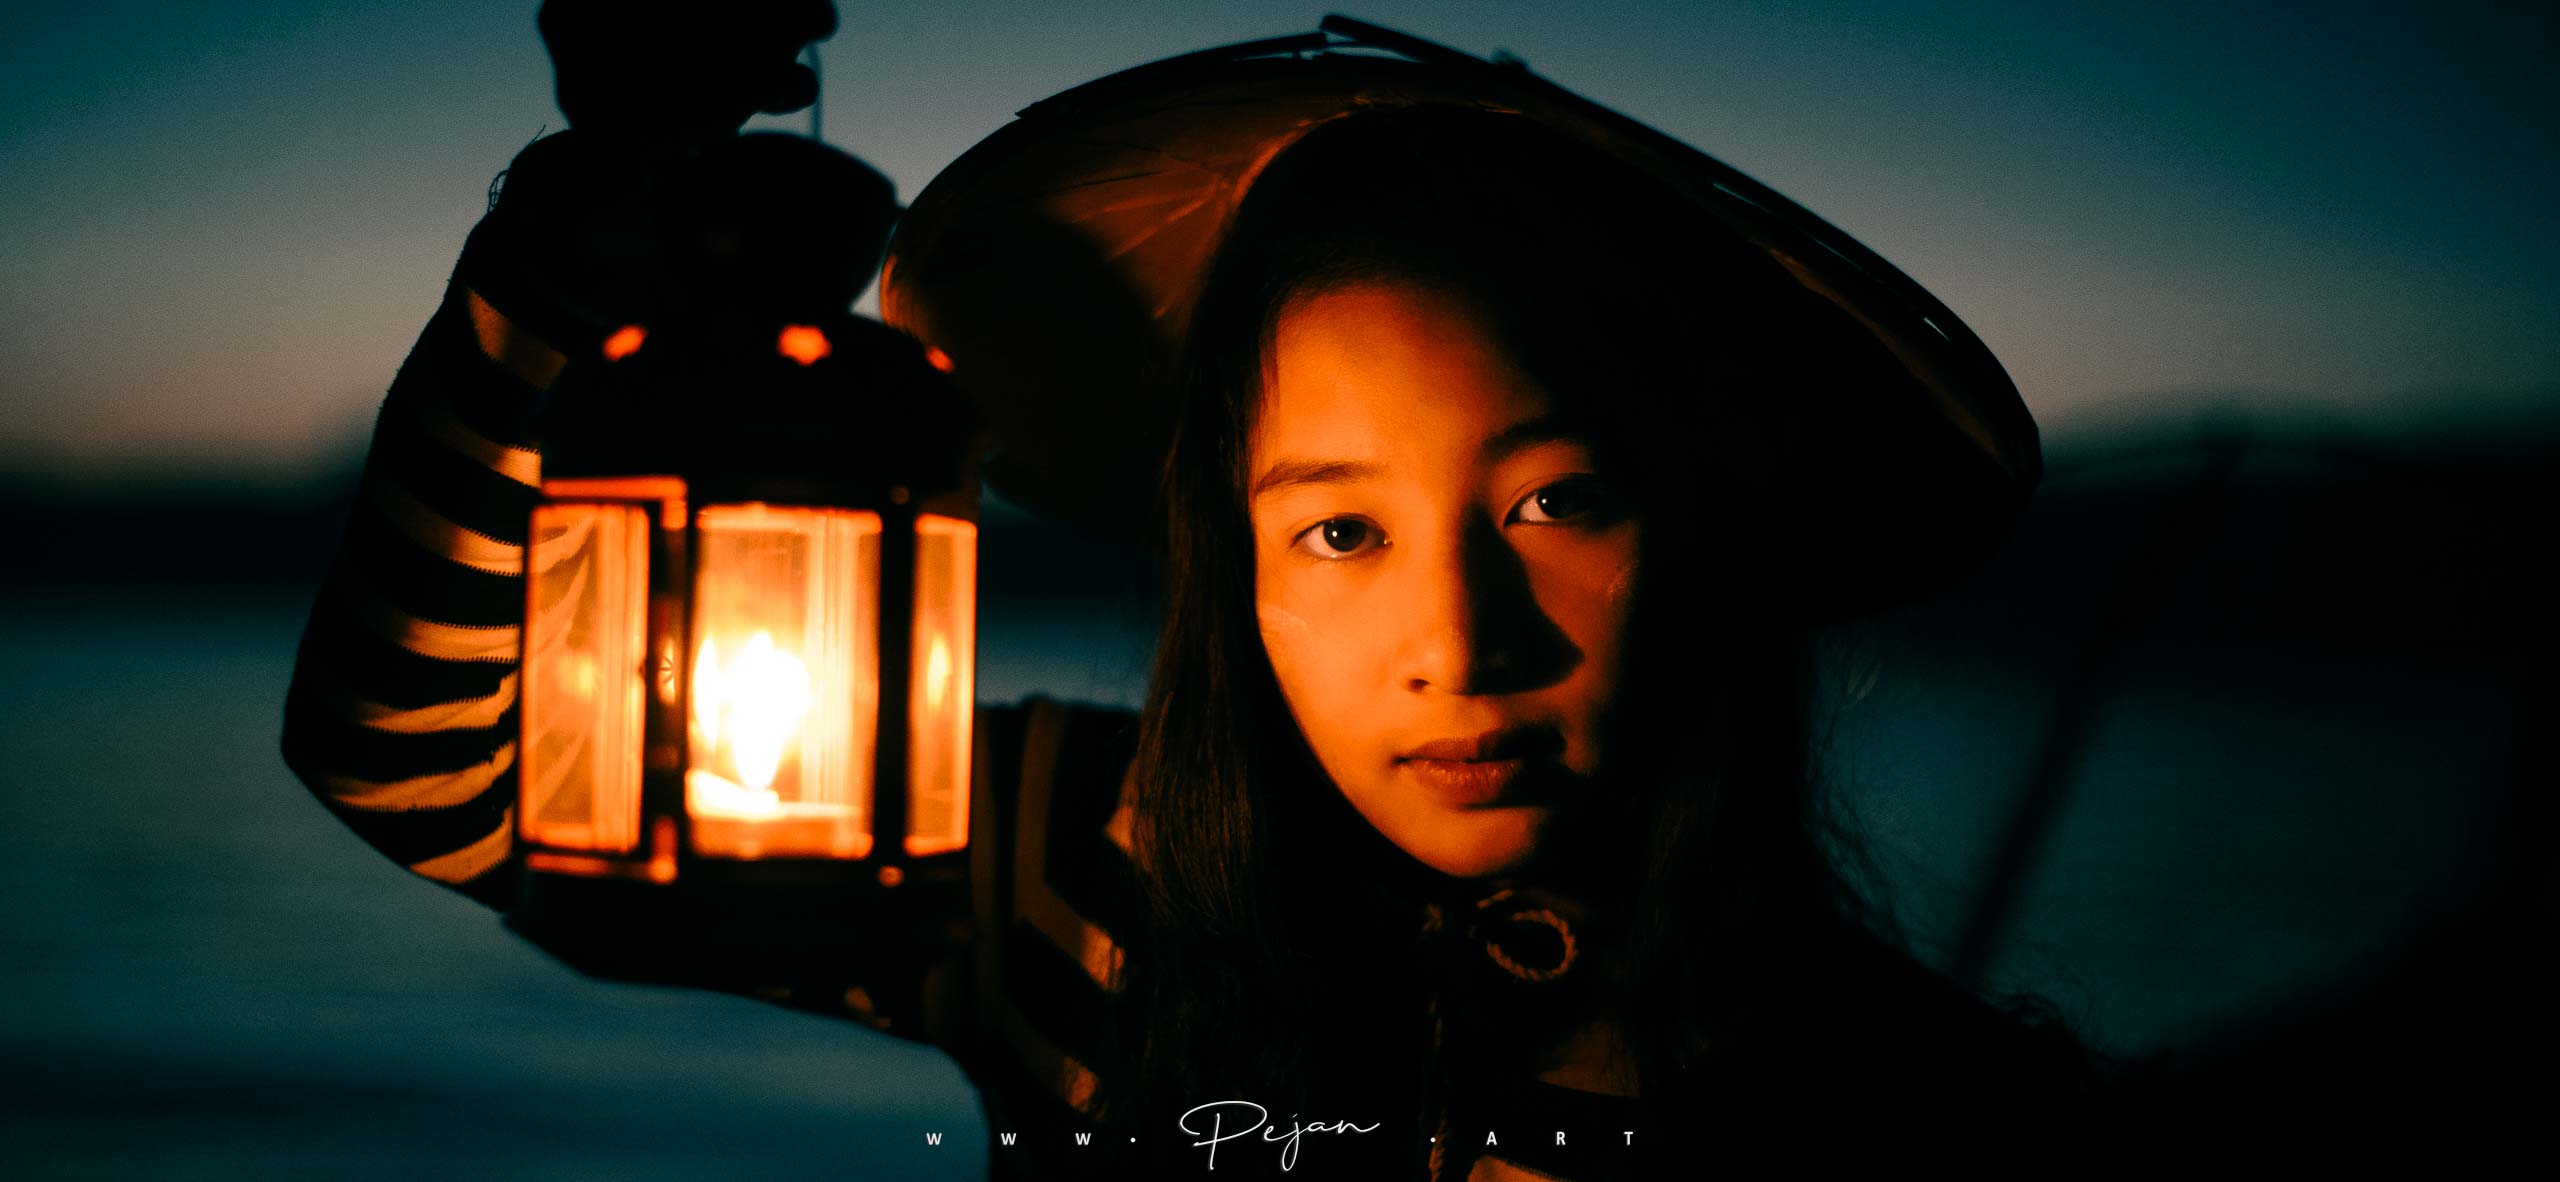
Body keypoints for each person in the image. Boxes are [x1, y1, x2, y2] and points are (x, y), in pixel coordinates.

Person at [280, 6, 2093, 1178]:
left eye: (1559, 498)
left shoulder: (1929, 1111)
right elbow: (418, 769)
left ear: (1706, 525)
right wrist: (547, 268)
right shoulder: (1076, 867)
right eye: (1338, 530)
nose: (1460, 647)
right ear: (1232, 563)